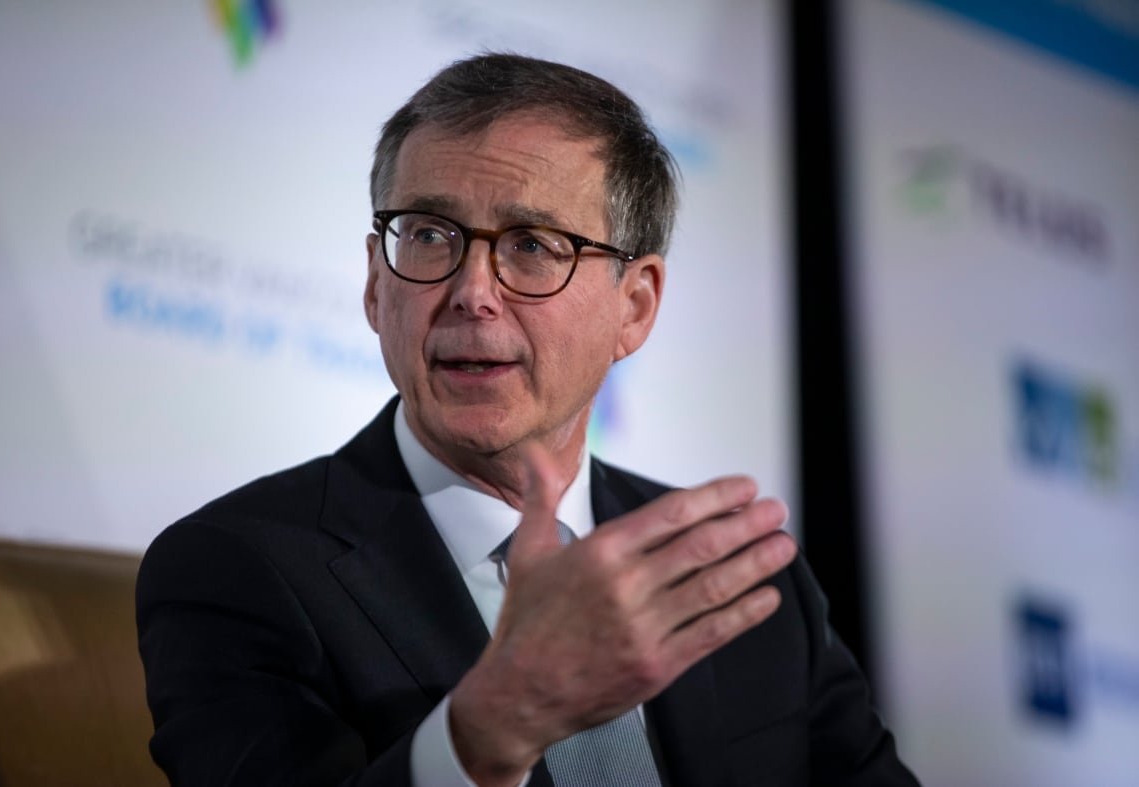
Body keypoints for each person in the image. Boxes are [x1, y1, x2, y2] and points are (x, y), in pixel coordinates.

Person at [137, 52, 919, 786]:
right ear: (377, 285)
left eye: (533, 245)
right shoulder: (235, 571)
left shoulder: (743, 585)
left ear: (635, 304)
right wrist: (489, 729)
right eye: (430, 235)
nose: (473, 290)